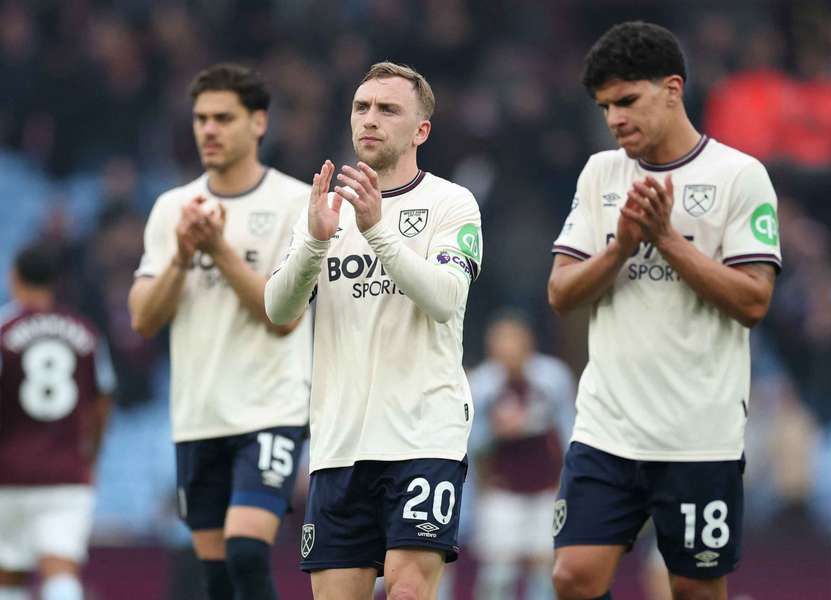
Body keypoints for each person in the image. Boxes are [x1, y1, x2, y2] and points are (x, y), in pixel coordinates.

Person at [547, 21, 781, 600]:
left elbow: (754, 300)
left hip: (698, 434)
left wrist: (667, 241)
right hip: (608, 426)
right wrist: (622, 247)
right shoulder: (601, 173)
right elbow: (561, 292)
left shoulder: (739, 176)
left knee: (694, 590)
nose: (615, 119)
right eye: (605, 107)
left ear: (672, 89)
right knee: (573, 577)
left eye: (627, 100)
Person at [265, 62, 483, 600]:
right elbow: (278, 309)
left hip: (423, 432)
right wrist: (316, 241)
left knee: (407, 593)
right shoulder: (323, 211)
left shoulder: (451, 203)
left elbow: (445, 298)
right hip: (339, 445)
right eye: (362, 108)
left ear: (421, 130)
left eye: (388, 110)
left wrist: (377, 231)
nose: (370, 119)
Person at [128, 63, 312, 600]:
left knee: (248, 550)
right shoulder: (172, 209)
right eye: (200, 118)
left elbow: (284, 317)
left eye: (223, 118)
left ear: (258, 123)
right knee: (216, 577)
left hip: (270, 407)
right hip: (198, 413)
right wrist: (183, 257)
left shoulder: (294, 203)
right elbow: (143, 317)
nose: (208, 129)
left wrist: (220, 250)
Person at [0, 242, 116, 600]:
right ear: (56, 282)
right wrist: (91, 454)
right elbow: (103, 398)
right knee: (62, 570)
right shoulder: (85, 331)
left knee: (8, 576)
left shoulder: (4, 329)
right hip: (68, 471)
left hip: (8, 472)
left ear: (14, 277)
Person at [467, 311, 575, 600]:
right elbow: (470, 444)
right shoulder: (480, 385)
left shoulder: (553, 378)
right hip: (502, 491)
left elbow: (570, 433)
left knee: (546, 572)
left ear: (528, 344)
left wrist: (570, 487)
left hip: (546, 490)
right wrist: (496, 430)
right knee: (498, 574)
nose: (509, 350)